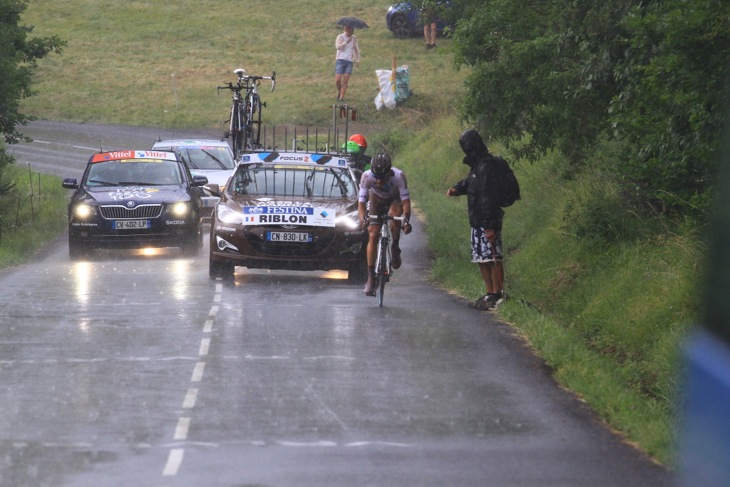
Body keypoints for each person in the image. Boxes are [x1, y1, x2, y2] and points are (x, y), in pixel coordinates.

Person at [446, 129, 511, 311]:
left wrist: (490, 226)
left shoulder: (487, 166)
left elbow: (488, 197)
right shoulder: (478, 166)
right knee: (482, 258)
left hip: (487, 221)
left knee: (493, 257)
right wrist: (457, 189)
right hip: (477, 221)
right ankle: (489, 293)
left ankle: (498, 293)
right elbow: (471, 182)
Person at [358, 153, 412, 296]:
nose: (379, 181)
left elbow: (406, 203)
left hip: (394, 199)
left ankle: (395, 245)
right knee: (373, 234)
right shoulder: (366, 176)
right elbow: (361, 203)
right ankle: (370, 278)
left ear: (390, 173)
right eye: (376, 177)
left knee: (395, 216)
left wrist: (406, 221)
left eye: (383, 178)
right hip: (376, 199)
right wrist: (363, 219)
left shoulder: (399, 176)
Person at [334, 25, 360, 102]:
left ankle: (342, 97)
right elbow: (338, 47)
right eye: (349, 29)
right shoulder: (340, 37)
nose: (350, 30)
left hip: (349, 61)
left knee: (346, 79)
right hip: (340, 60)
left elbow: (356, 50)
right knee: (338, 80)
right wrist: (346, 42)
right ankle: (340, 92)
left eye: (352, 29)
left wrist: (357, 60)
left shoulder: (354, 38)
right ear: (345, 29)